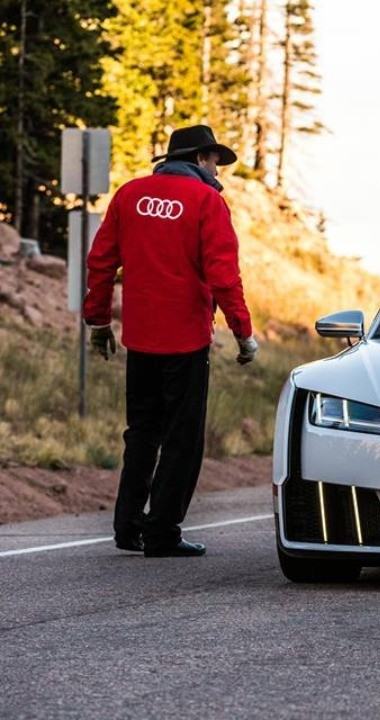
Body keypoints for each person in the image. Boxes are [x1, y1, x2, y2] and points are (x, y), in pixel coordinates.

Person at [82, 125, 258, 558]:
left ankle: (128, 527)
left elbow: (101, 261)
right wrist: (243, 333)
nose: (217, 168)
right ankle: (162, 532)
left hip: (140, 339)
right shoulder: (206, 201)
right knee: (182, 439)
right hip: (186, 342)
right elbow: (223, 274)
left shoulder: (129, 195)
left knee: (142, 431)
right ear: (201, 158)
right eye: (215, 160)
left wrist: (99, 322)